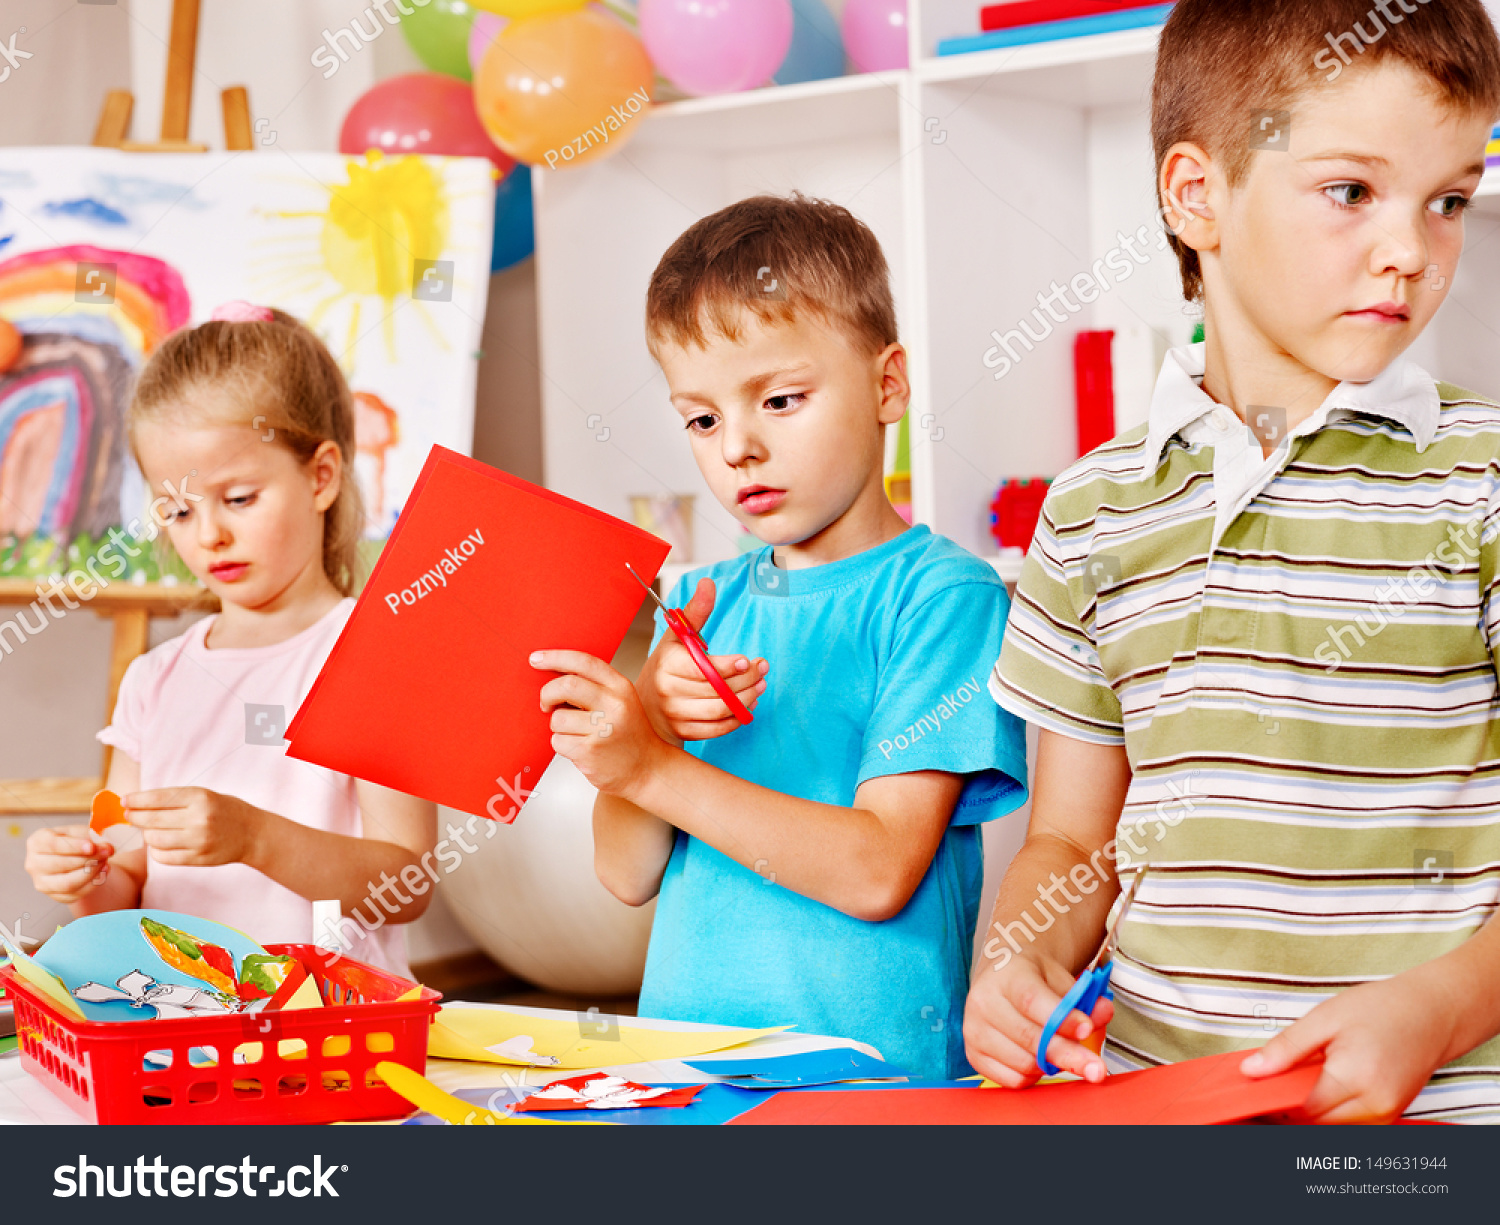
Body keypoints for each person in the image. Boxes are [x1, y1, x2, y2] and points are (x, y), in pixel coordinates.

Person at [965, 0, 1500, 1122]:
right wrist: (1015, 966)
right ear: (1194, 195)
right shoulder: (1091, 511)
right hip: (1161, 1109)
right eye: (1351, 191)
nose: (1411, 249)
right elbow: (1071, 837)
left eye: (1449, 200)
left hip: (1443, 1123)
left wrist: (1441, 1008)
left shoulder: (1482, 481)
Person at [529, 195, 1028, 1080]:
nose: (739, 449)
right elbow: (625, 871)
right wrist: (648, 723)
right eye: (702, 419)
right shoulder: (701, 602)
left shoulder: (943, 596)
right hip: (688, 1074)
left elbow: (878, 873)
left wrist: (655, 766)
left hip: (873, 1083)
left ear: (888, 385)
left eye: (781, 399)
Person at [24, 303, 436, 976]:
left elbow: (409, 882)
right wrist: (83, 877)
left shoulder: (371, 654)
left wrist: (255, 838)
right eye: (179, 509)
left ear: (320, 476)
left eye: (239, 497)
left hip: (329, 1036)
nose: (207, 533)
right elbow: (124, 879)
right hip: (181, 1032)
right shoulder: (153, 681)